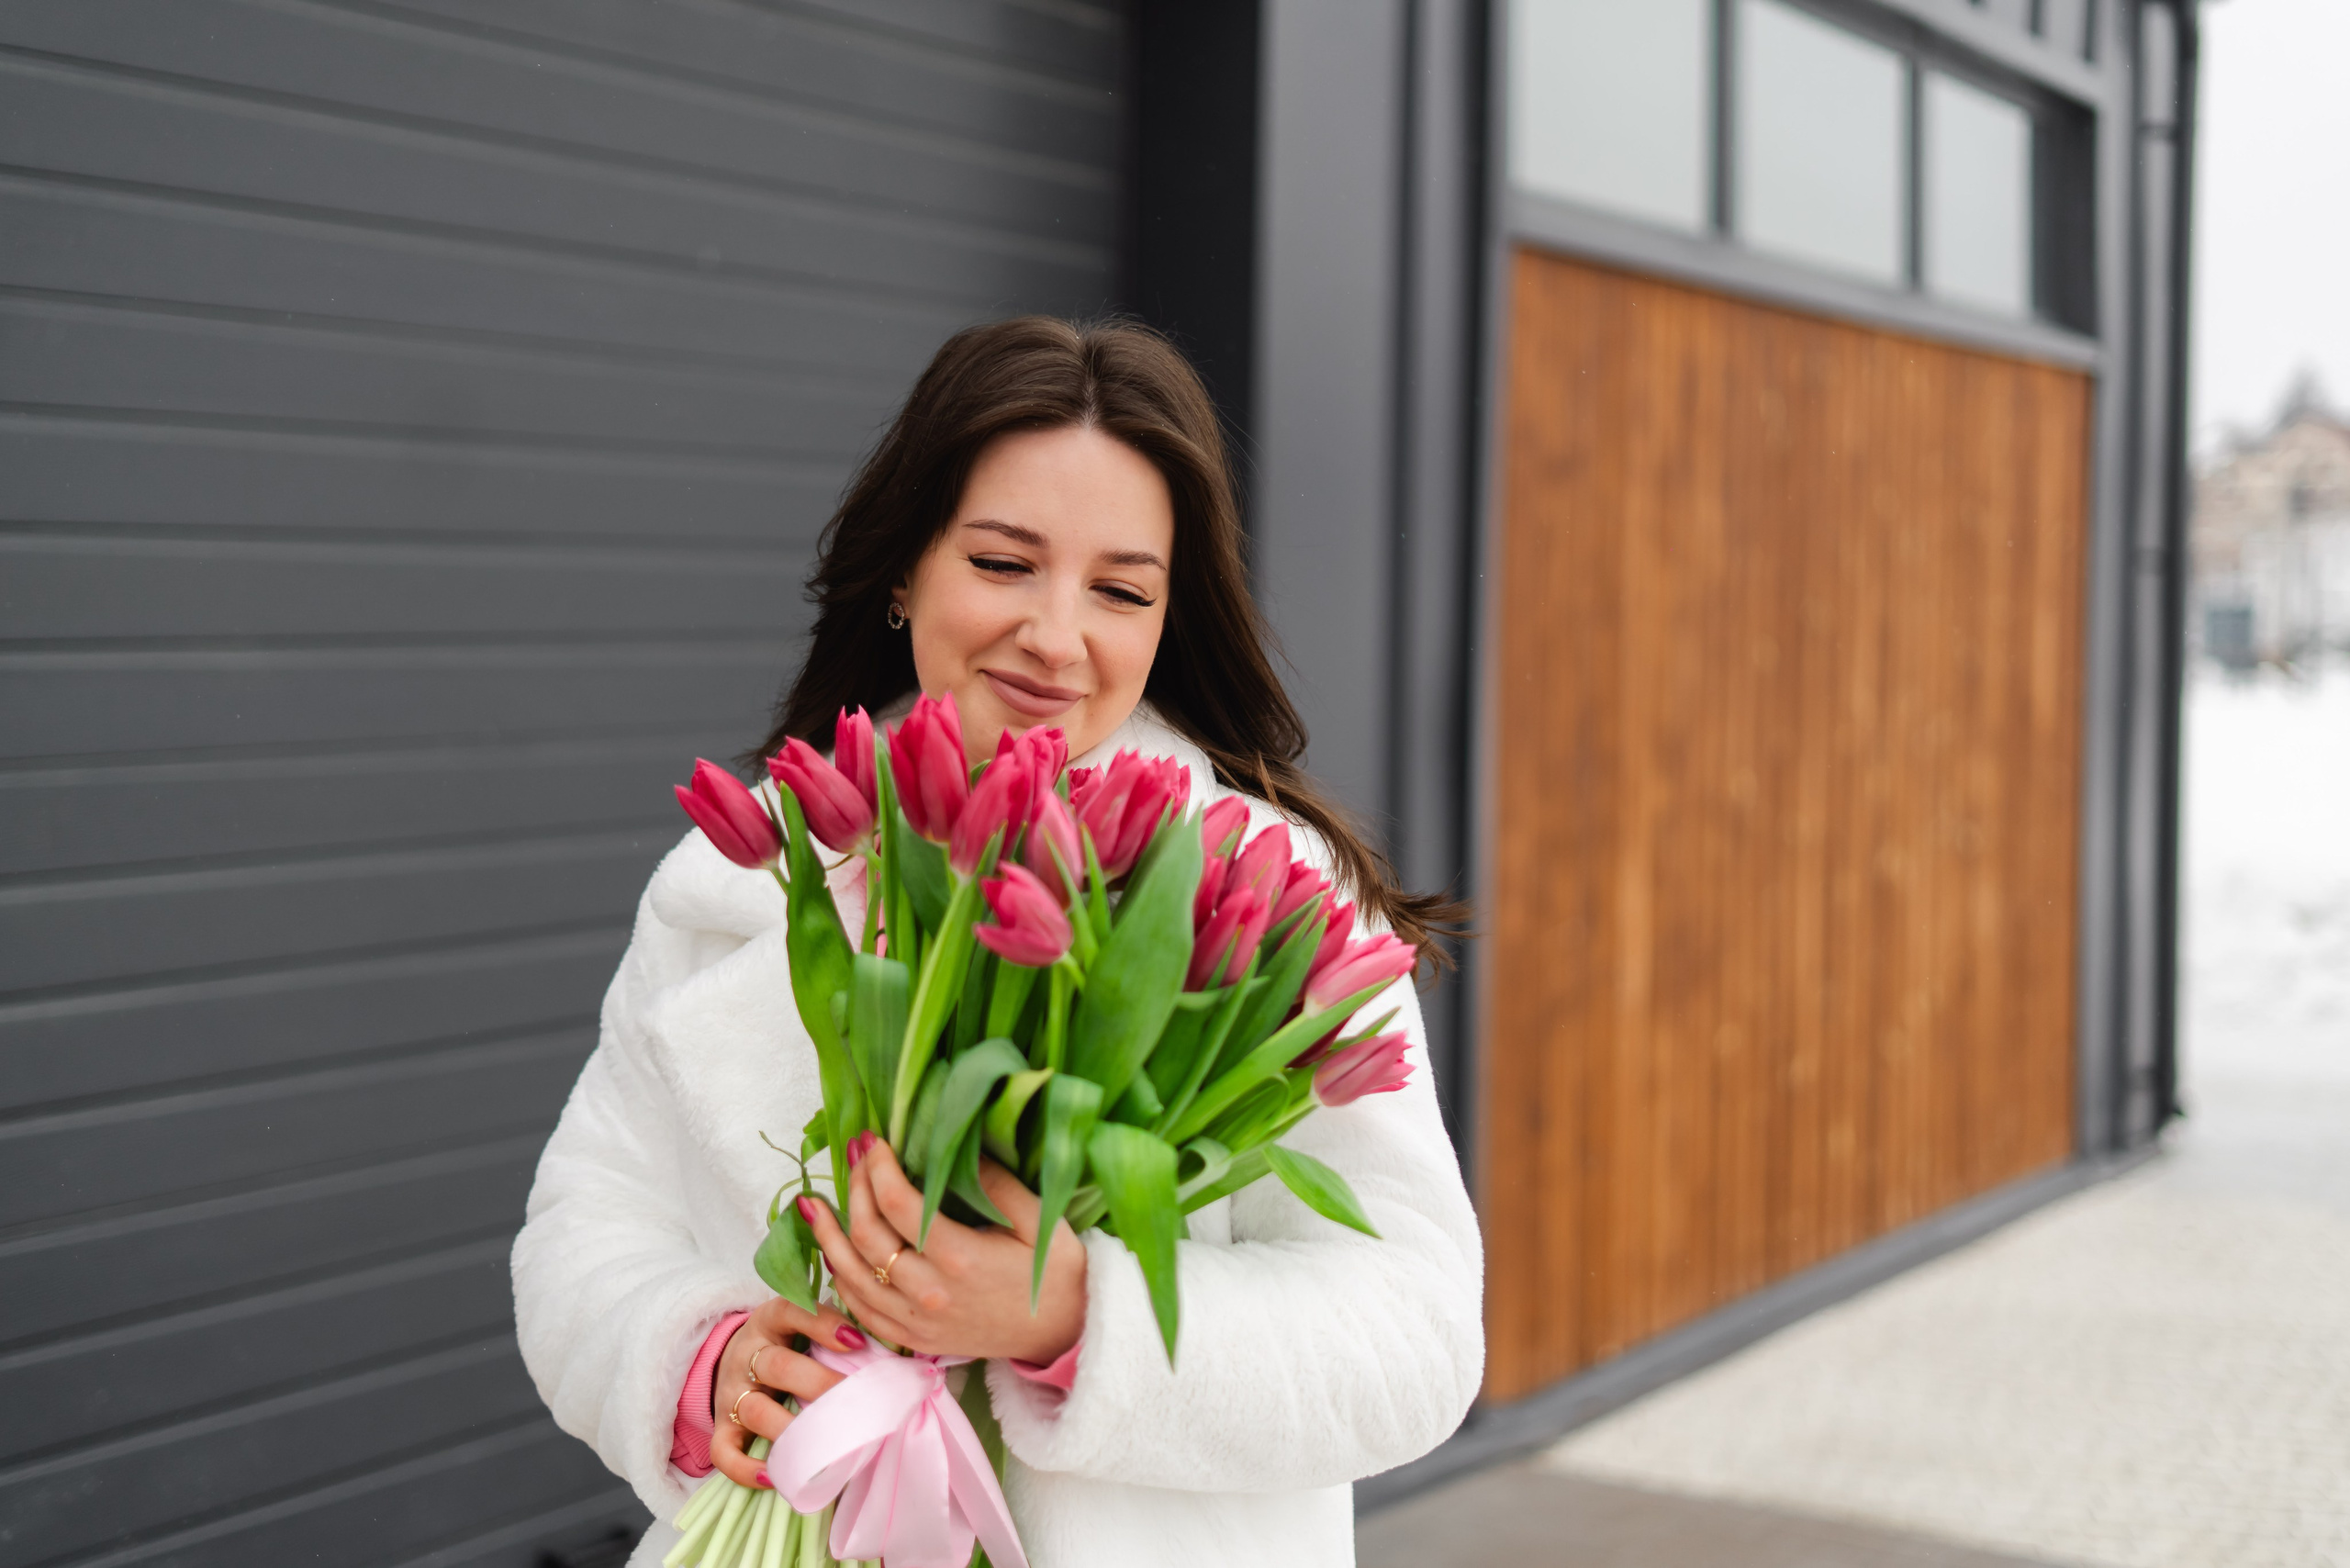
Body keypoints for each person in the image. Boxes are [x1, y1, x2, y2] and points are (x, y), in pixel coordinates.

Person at [512, 317, 1483, 1568]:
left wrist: (1075, 1316)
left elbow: (1417, 1332)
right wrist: (705, 1361)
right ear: (907, 568)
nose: (1057, 635)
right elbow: (588, 1225)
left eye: (1122, 590)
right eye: (1004, 562)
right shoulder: (745, 877)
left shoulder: (1269, 899)